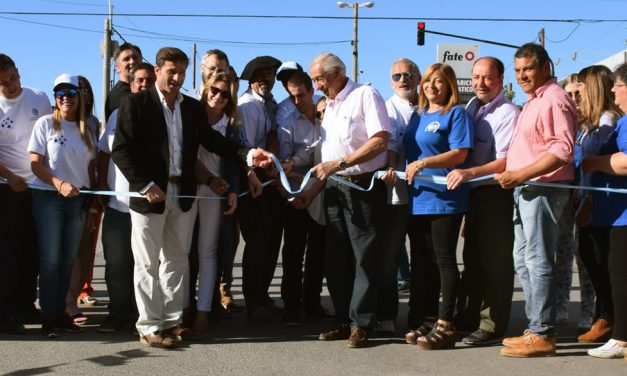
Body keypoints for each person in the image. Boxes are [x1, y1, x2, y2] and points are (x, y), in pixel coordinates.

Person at [111, 47, 270, 348]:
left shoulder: (191, 108)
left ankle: (171, 322)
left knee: (176, 259)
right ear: (157, 71)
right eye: (171, 71)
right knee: (147, 263)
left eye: (181, 72)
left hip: (183, 193)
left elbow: (212, 140)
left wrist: (246, 154)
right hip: (149, 195)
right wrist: (145, 184)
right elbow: (121, 149)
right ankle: (148, 326)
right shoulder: (135, 103)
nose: (176, 77)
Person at [303, 52, 392, 348]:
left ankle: (363, 322)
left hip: (362, 185)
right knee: (336, 257)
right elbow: (326, 152)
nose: (316, 86)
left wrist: (340, 164)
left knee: (364, 256)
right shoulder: (329, 104)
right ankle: (342, 318)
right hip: (334, 187)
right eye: (314, 79)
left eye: (320, 78)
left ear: (339, 72)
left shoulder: (365, 94)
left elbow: (380, 140)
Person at [496, 43, 577, 357]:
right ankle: (536, 328)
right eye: (517, 70)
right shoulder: (534, 101)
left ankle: (543, 333)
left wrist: (521, 174)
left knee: (539, 261)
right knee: (525, 261)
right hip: (527, 190)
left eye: (527, 69)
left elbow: (563, 150)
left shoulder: (554, 99)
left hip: (544, 190)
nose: (521, 76)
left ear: (546, 68)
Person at [448, 57, 518, 346]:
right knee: (473, 258)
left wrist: (468, 173)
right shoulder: (471, 107)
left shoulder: (507, 112)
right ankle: (468, 316)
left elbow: (503, 162)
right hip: (470, 193)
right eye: (476, 77)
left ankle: (492, 324)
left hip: (493, 193)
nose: (480, 83)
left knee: (496, 262)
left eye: (487, 78)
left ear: (500, 79)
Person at [402, 63, 473, 350]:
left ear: (450, 86)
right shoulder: (417, 116)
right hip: (417, 198)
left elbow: (460, 153)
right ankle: (429, 316)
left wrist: (425, 163)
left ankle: (447, 323)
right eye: (428, 81)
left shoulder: (456, 113)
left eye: (439, 81)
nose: (432, 86)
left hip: (444, 198)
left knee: (444, 260)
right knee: (422, 262)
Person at [28, 73, 98, 338]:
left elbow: (91, 171)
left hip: (78, 201)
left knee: (68, 260)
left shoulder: (87, 130)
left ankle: (61, 313)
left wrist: (92, 203)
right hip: (50, 198)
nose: (65, 99)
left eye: (70, 93)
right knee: (50, 259)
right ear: (55, 98)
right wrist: (58, 184)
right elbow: (35, 163)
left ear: (79, 97)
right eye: (60, 94)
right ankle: (49, 314)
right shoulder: (45, 124)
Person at [97, 62, 156, 333]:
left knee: (147, 264)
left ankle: (143, 316)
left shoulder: (161, 115)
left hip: (147, 204)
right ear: (130, 85)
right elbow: (104, 153)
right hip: (117, 204)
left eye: (148, 80)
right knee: (117, 263)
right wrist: (100, 185)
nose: (144, 85)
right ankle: (118, 313)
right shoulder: (116, 115)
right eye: (139, 81)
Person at [0, 54, 51, 334]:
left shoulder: (38, 97)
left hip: (39, 187)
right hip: (8, 190)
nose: (11, 86)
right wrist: (10, 176)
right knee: (9, 252)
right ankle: (5, 311)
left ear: (19, 72)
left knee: (33, 249)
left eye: (14, 78)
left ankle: (26, 303)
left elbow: (50, 136)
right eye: (4, 83)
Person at [189, 72, 241, 334]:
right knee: (181, 252)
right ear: (206, 89)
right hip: (185, 189)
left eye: (225, 94)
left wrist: (232, 189)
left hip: (214, 192)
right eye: (215, 90)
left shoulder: (231, 124)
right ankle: (181, 310)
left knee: (207, 252)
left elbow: (234, 160)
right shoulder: (189, 113)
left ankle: (203, 311)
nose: (218, 96)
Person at [574, 65, 622, 345]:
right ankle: (603, 314)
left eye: (581, 84)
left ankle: (607, 317)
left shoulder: (608, 121)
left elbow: (601, 162)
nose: (577, 90)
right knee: (592, 258)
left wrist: (588, 201)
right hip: (589, 199)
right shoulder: (590, 122)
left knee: (601, 261)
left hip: (603, 203)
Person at [237, 55, 287, 321]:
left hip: (271, 181)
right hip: (254, 181)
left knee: (270, 243)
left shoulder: (270, 104)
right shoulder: (247, 106)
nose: (267, 79)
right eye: (263, 74)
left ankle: (263, 296)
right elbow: (245, 144)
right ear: (252, 78)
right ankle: (253, 301)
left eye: (270, 74)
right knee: (257, 244)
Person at [277, 71, 329, 326]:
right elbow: (287, 163)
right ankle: (291, 306)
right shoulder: (287, 124)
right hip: (297, 192)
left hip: (323, 190)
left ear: (311, 91)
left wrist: (301, 162)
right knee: (294, 252)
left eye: (301, 95)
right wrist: (294, 170)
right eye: (292, 96)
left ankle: (312, 302)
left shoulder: (327, 114)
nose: (297, 101)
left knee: (318, 251)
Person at [379, 57, 421, 334]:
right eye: (396, 76)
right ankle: (386, 315)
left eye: (407, 74)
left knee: (424, 258)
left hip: (427, 193)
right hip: (396, 194)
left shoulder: (430, 105)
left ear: (418, 77)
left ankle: (421, 316)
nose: (402, 80)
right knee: (390, 257)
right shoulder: (387, 108)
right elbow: (390, 144)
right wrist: (392, 166)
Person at [553, 74, 595, 332]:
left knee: (585, 256)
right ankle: (560, 305)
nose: (574, 99)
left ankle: (589, 310)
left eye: (578, 94)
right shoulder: (564, 123)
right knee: (562, 255)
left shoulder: (593, 126)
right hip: (563, 197)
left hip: (587, 198)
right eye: (569, 94)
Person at [64, 75, 102, 324]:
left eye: (85, 90)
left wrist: (95, 198)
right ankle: (60, 302)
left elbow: (95, 162)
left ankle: (78, 294)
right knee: (60, 252)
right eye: (78, 90)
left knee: (85, 250)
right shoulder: (53, 120)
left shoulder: (93, 124)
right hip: (59, 194)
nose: (82, 94)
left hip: (90, 193)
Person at [104, 42, 142, 121]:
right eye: (126, 59)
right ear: (117, 68)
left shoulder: (139, 91)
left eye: (135, 57)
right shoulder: (120, 95)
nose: (132, 61)